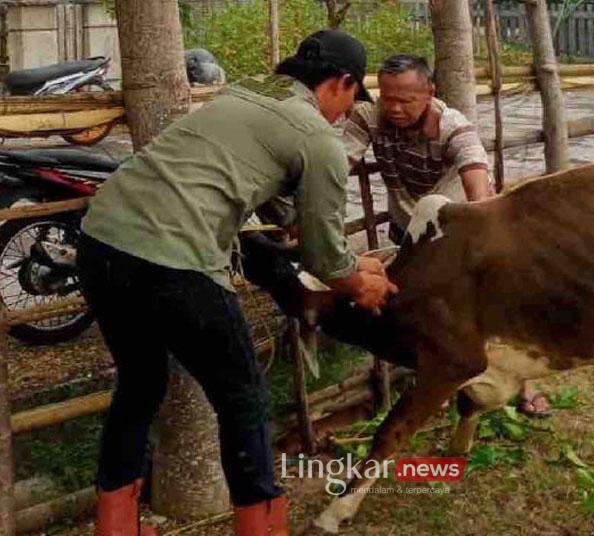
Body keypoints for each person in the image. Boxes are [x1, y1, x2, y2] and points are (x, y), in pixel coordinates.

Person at [77, 29, 397, 536]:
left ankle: (115, 527)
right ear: (342, 82)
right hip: (173, 259)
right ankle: (262, 527)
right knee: (243, 398)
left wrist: (298, 220)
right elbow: (327, 258)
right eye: (353, 98)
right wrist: (360, 282)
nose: (347, 111)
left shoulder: (248, 90)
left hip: (101, 243)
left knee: (140, 385)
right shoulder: (318, 138)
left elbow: (245, 172)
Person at [342, 54, 550, 417]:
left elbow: (478, 188)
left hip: (456, 231)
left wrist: (488, 237)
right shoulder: (369, 116)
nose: (393, 108)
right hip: (406, 227)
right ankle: (427, 375)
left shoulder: (455, 129)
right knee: (410, 306)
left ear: (430, 93)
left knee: (485, 309)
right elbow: (340, 163)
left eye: (405, 100)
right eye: (387, 97)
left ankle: (524, 382)